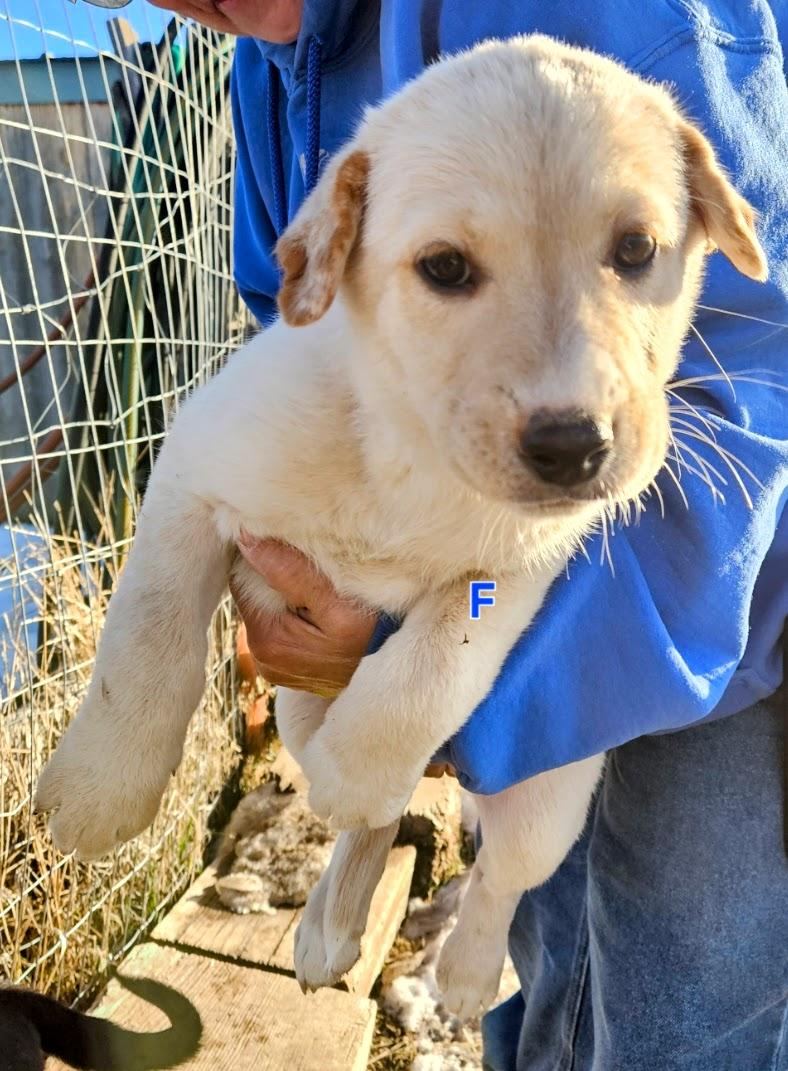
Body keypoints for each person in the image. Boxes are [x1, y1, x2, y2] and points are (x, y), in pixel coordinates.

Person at [149, 2, 788, 1068]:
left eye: (629, 248)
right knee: (552, 952)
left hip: (725, 613)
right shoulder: (276, 70)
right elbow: (298, 326)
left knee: (685, 1007)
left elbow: (764, 375)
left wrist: (456, 650)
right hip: (494, 587)